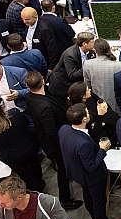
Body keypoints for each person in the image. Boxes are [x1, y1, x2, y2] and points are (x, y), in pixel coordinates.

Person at [59, 103, 121, 219]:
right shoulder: (83, 144)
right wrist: (102, 150)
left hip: (77, 173)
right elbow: (92, 165)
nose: (89, 114)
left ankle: (94, 215)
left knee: (87, 195)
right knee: (99, 200)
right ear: (84, 119)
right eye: (87, 113)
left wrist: (99, 117)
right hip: (93, 177)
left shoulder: (64, 130)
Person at [25, 71, 82, 211]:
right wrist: (61, 148)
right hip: (54, 143)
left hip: (44, 138)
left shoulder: (30, 97)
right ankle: (65, 199)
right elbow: (51, 132)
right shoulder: (44, 107)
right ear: (43, 81)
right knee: (62, 170)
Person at [47, 32, 95, 104]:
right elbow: (73, 75)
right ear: (84, 44)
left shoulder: (90, 52)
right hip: (62, 85)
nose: (94, 43)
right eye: (92, 42)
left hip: (74, 84)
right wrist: (87, 66)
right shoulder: (70, 55)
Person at [82, 38, 121, 113]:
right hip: (116, 105)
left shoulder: (88, 64)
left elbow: (87, 85)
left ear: (96, 51)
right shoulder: (119, 65)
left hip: (99, 104)